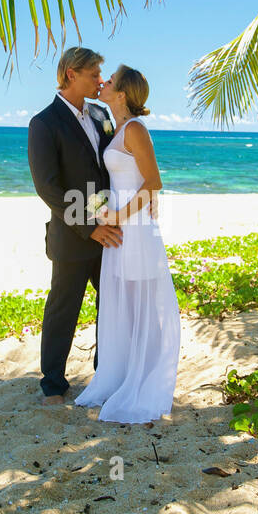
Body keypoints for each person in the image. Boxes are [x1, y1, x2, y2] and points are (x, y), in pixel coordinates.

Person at [74, 65, 180, 423]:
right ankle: (120, 375)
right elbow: (113, 179)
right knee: (123, 303)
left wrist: (118, 216)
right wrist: (101, 210)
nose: (103, 83)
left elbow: (153, 182)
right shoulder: (116, 127)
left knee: (139, 304)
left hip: (135, 229)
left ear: (122, 94)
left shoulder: (134, 129)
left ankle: (143, 379)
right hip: (121, 227)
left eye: (111, 81)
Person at [27, 47, 121, 404]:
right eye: (94, 74)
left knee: (111, 304)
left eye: (100, 74)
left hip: (110, 230)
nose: (100, 80)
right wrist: (89, 227)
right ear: (71, 74)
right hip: (72, 235)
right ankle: (53, 383)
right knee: (63, 308)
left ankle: (105, 373)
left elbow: (110, 168)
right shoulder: (44, 123)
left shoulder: (101, 115)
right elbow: (48, 187)